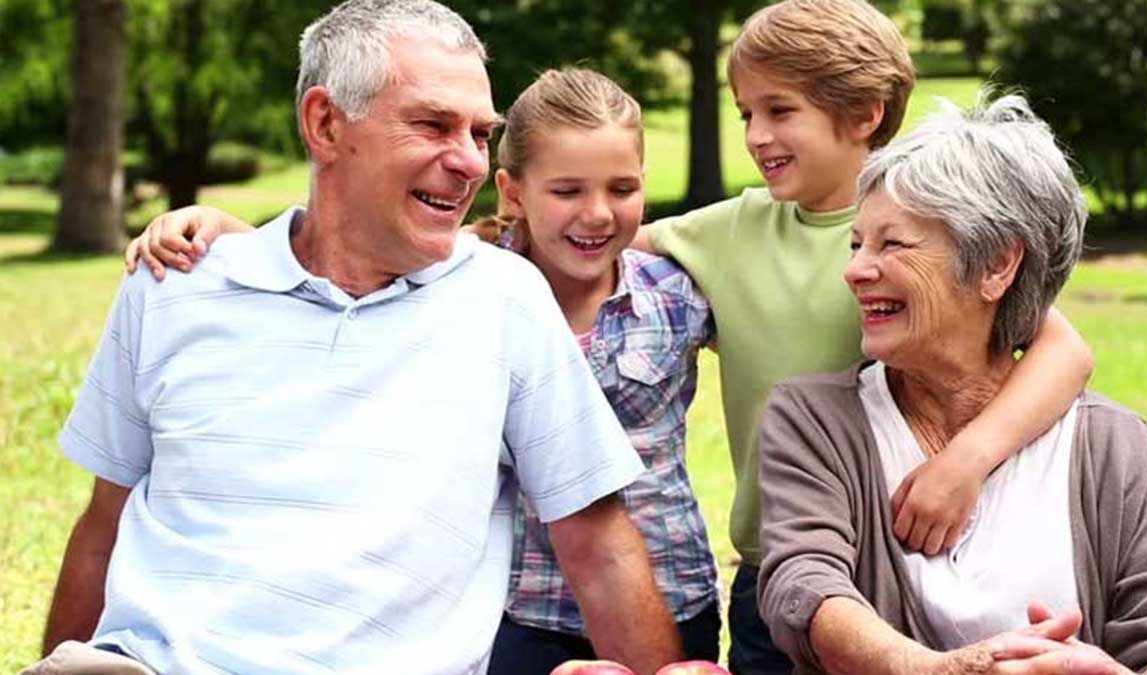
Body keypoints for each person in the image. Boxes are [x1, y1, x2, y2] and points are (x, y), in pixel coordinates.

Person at [121, 2, 1096, 672]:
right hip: (747, 577)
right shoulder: (713, 238)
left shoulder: (918, 240)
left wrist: (965, 462)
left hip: (896, 556)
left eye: (779, 111)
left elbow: (1061, 347)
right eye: (746, 110)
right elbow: (419, 231)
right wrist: (232, 230)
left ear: (866, 116)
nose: (756, 134)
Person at [28, 2, 685, 674]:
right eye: (433, 125)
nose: (468, 163)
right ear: (325, 123)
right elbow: (103, 522)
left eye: (480, 135)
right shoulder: (173, 285)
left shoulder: (506, 299)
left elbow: (597, 542)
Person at [757, 95, 1147, 675]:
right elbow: (803, 590)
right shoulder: (814, 418)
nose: (856, 269)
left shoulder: (1113, 445)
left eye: (891, 244)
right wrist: (936, 671)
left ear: (996, 266)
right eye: (856, 243)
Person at [472, 69, 720, 672]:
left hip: (673, 598)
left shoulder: (680, 295)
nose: (598, 214)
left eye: (622, 188)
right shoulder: (469, 295)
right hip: (520, 613)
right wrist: (227, 232)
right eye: (567, 191)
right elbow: (350, 261)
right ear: (512, 191)